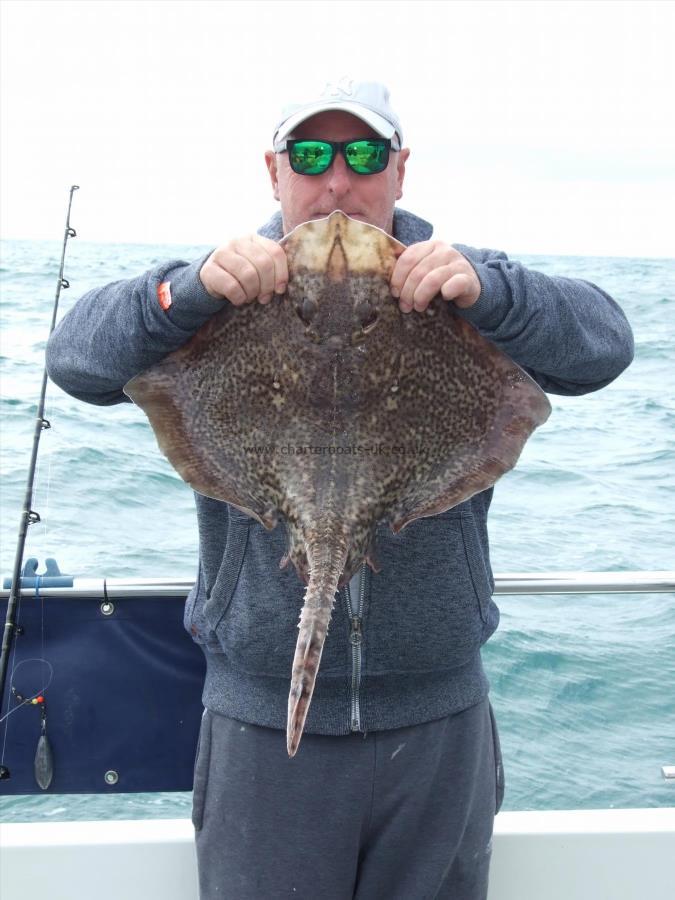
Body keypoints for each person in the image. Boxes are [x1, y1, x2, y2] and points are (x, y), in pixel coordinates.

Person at [46, 79, 634, 899]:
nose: (335, 182)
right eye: (310, 154)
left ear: (398, 171)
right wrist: (189, 290)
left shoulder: (467, 292)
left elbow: (604, 347)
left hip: (436, 724)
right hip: (259, 733)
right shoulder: (212, 297)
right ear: (273, 172)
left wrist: (490, 293)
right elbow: (74, 360)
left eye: (362, 154)